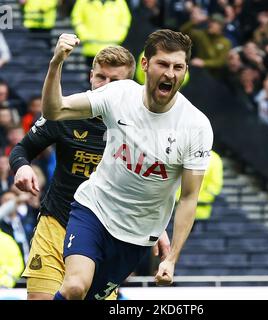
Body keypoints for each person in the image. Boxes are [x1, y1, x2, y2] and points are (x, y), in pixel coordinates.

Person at [42, 30, 213, 300]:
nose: (170, 73)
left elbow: (189, 198)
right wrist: (56, 63)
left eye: (178, 67)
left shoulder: (196, 126)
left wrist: (171, 260)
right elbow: (54, 111)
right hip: (94, 209)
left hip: (137, 235)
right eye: (163, 64)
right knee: (75, 287)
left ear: (185, 70)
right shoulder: (120, 94)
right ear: (145, 65)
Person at [10, 45, 170, 300]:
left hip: (103, 232)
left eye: (115, 81)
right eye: (101, 77)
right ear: (91, 76)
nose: (105, 85)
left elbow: (149, 182)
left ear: (129, 83)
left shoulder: (142, 126)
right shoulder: (67, 111)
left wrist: (157, 225)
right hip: (56, 222)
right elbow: (22, 149)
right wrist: (23, 166)